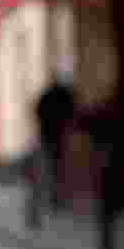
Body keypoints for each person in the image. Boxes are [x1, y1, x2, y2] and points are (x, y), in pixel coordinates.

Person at [34, 78, 76, 213]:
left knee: (53, 167)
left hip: (50, 134)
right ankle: (57, 196)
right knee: (58, 167)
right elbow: (72, 109)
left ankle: (55, 196)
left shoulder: (47, 96)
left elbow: (37, 111)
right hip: (58, 134)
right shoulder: (62, 95)